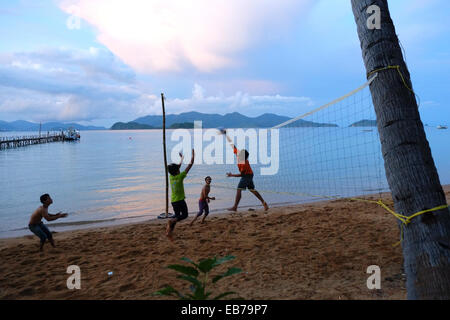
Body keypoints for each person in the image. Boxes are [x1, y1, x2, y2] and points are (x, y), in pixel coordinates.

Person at [222, 130, 269, 212]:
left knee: (239, 189)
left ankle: (235, 207)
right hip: (250, 174)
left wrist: (231, 175)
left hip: (247, 175)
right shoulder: (239, 154)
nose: (238, 154)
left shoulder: (244, 164)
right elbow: (232, 144)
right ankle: (264, 203)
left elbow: (242, 175)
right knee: (252, 189)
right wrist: (226, 135)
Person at [166, 149, 195, 240]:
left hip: (173, 201)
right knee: (184, 215)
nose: (179, 169)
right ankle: (171, 222)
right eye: (178, 169)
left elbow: (177, 167)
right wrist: (193, 157)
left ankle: (169, 232)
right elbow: (190, 165)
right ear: (177, 171)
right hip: (180, 200)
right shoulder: (180, 176)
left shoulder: (171, 176)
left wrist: (182, 158)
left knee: (177, 216)